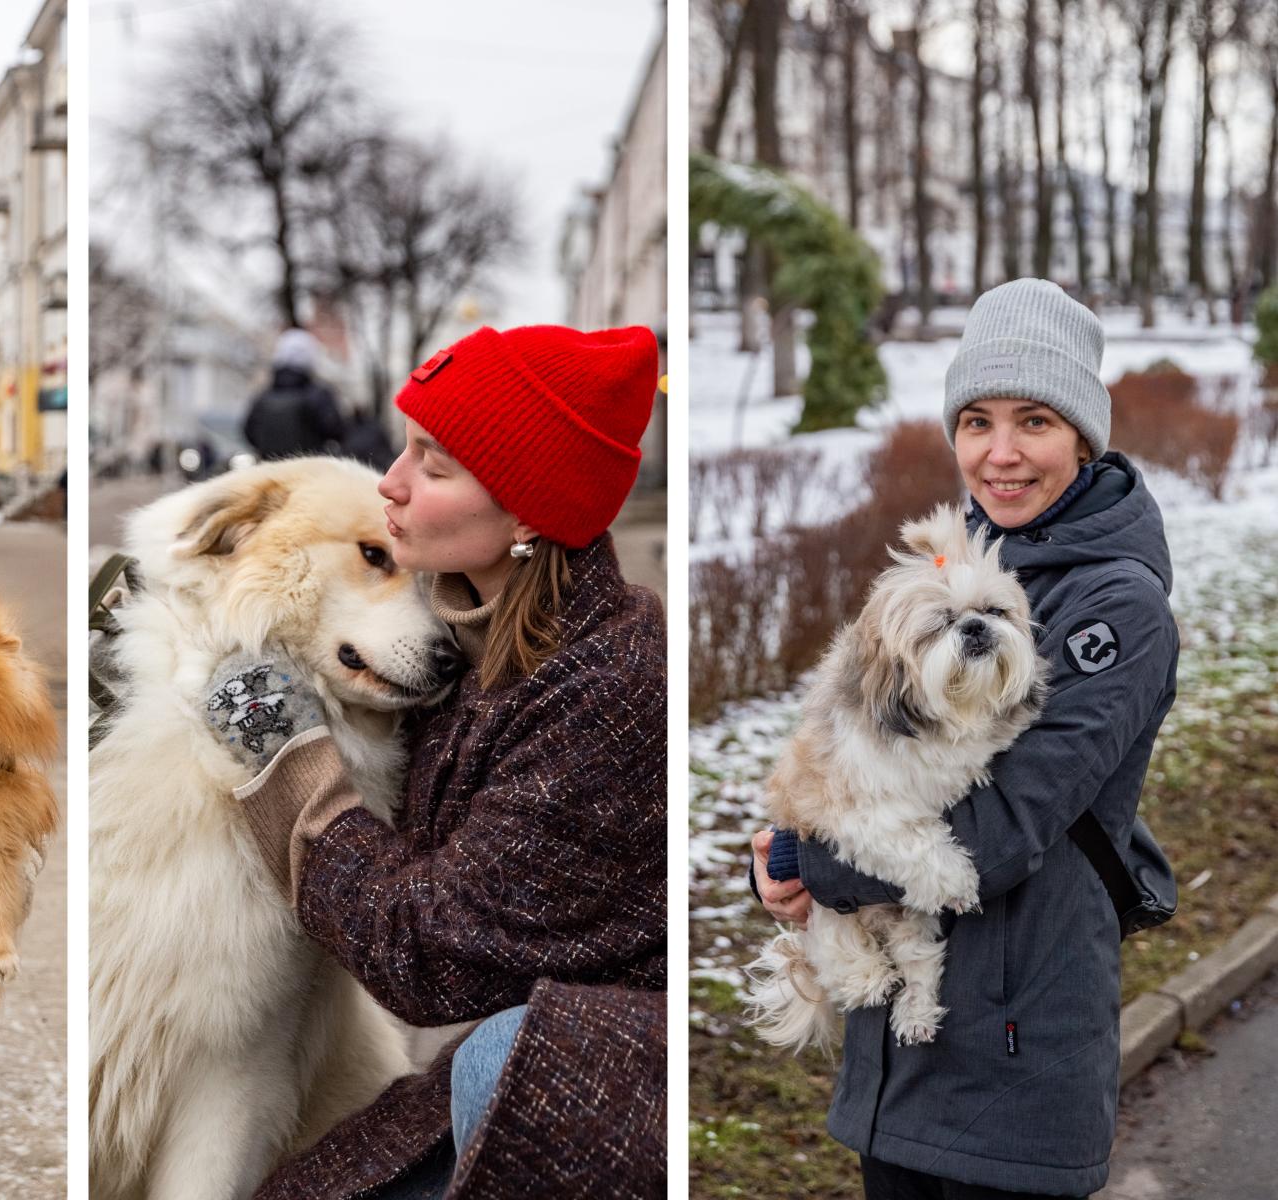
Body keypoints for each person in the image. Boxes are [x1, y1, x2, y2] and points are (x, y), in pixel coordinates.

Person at [201, 325, 668, 1197]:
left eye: (435, 464)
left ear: (529, 508)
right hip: (521, 1050)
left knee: (489, 1066)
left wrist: (292, 765)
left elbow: (426, 949)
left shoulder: (606, 687)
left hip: (601, 1085)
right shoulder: (476, 628)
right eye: (405, 445)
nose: (391, 482)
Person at [752, 278, 1181, 1200]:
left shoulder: (1118, 607)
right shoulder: (964, 566)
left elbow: (999, 832)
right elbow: (865, 749)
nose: (1001, 454)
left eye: (1034, 420)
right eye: (976, 421)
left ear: (1083, 435)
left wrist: (808, 861)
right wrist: (791, 841)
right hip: (909, 1045)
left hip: (1016, 1049)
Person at [242, 328, 346, 461]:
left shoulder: (263, 397)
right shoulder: (319, 395)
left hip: (270, 472)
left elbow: (248, 431)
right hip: (307, 473)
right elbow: (337, 431)